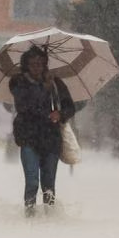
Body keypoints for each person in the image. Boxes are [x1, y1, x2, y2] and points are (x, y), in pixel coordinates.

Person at [9, 45, 75, 217]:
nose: (37, 67)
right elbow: (24, 106)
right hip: (28, 138)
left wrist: (60, 114)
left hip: (51, 139)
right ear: (27, 65)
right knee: (32, 181)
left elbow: (70, 107)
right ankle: (29, 216)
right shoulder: (17, 82)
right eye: (33, 64)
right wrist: (42, 89)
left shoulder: (55, 82)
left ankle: (50, 218)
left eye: (40, 63)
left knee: (48, 185)